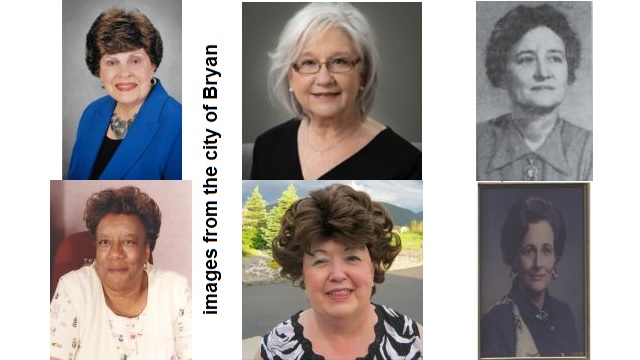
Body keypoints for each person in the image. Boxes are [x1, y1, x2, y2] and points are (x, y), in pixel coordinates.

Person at [251, 3, 421, 180]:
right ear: (290, 76)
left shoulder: (405, 164)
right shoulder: (267, 147)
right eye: (308, 62)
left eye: (339, 61)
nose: (324, 79)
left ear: (363, 73)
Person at [258, 184, 422, 359]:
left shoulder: (415, 342)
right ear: (302, 271)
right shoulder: (275, 349)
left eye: (352, 258)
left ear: (373, 265)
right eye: (320, 261)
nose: (337, 275)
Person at [50, 186, 191, 359]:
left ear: (146, 250)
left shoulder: (175, 291)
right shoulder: (73, 289)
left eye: (128, 242)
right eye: (104, 242)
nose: (115, 253)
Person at [477, 4, 592, 181]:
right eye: (526, 60)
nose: (543, 73)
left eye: (555, 58)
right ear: (502, 72)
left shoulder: (591, 150)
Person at [67, 8, 181, 180]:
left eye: (135, 61)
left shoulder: (180, 124)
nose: (124, 73)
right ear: (99, 69)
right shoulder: (91, 113)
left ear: (153, 64)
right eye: (112, 62)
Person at [481, 197, 580, 357]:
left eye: (546, 250)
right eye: (529, 250)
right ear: (514, 257)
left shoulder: (564, 314)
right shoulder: (495, 322)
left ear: (556, 256)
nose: (538, 263)